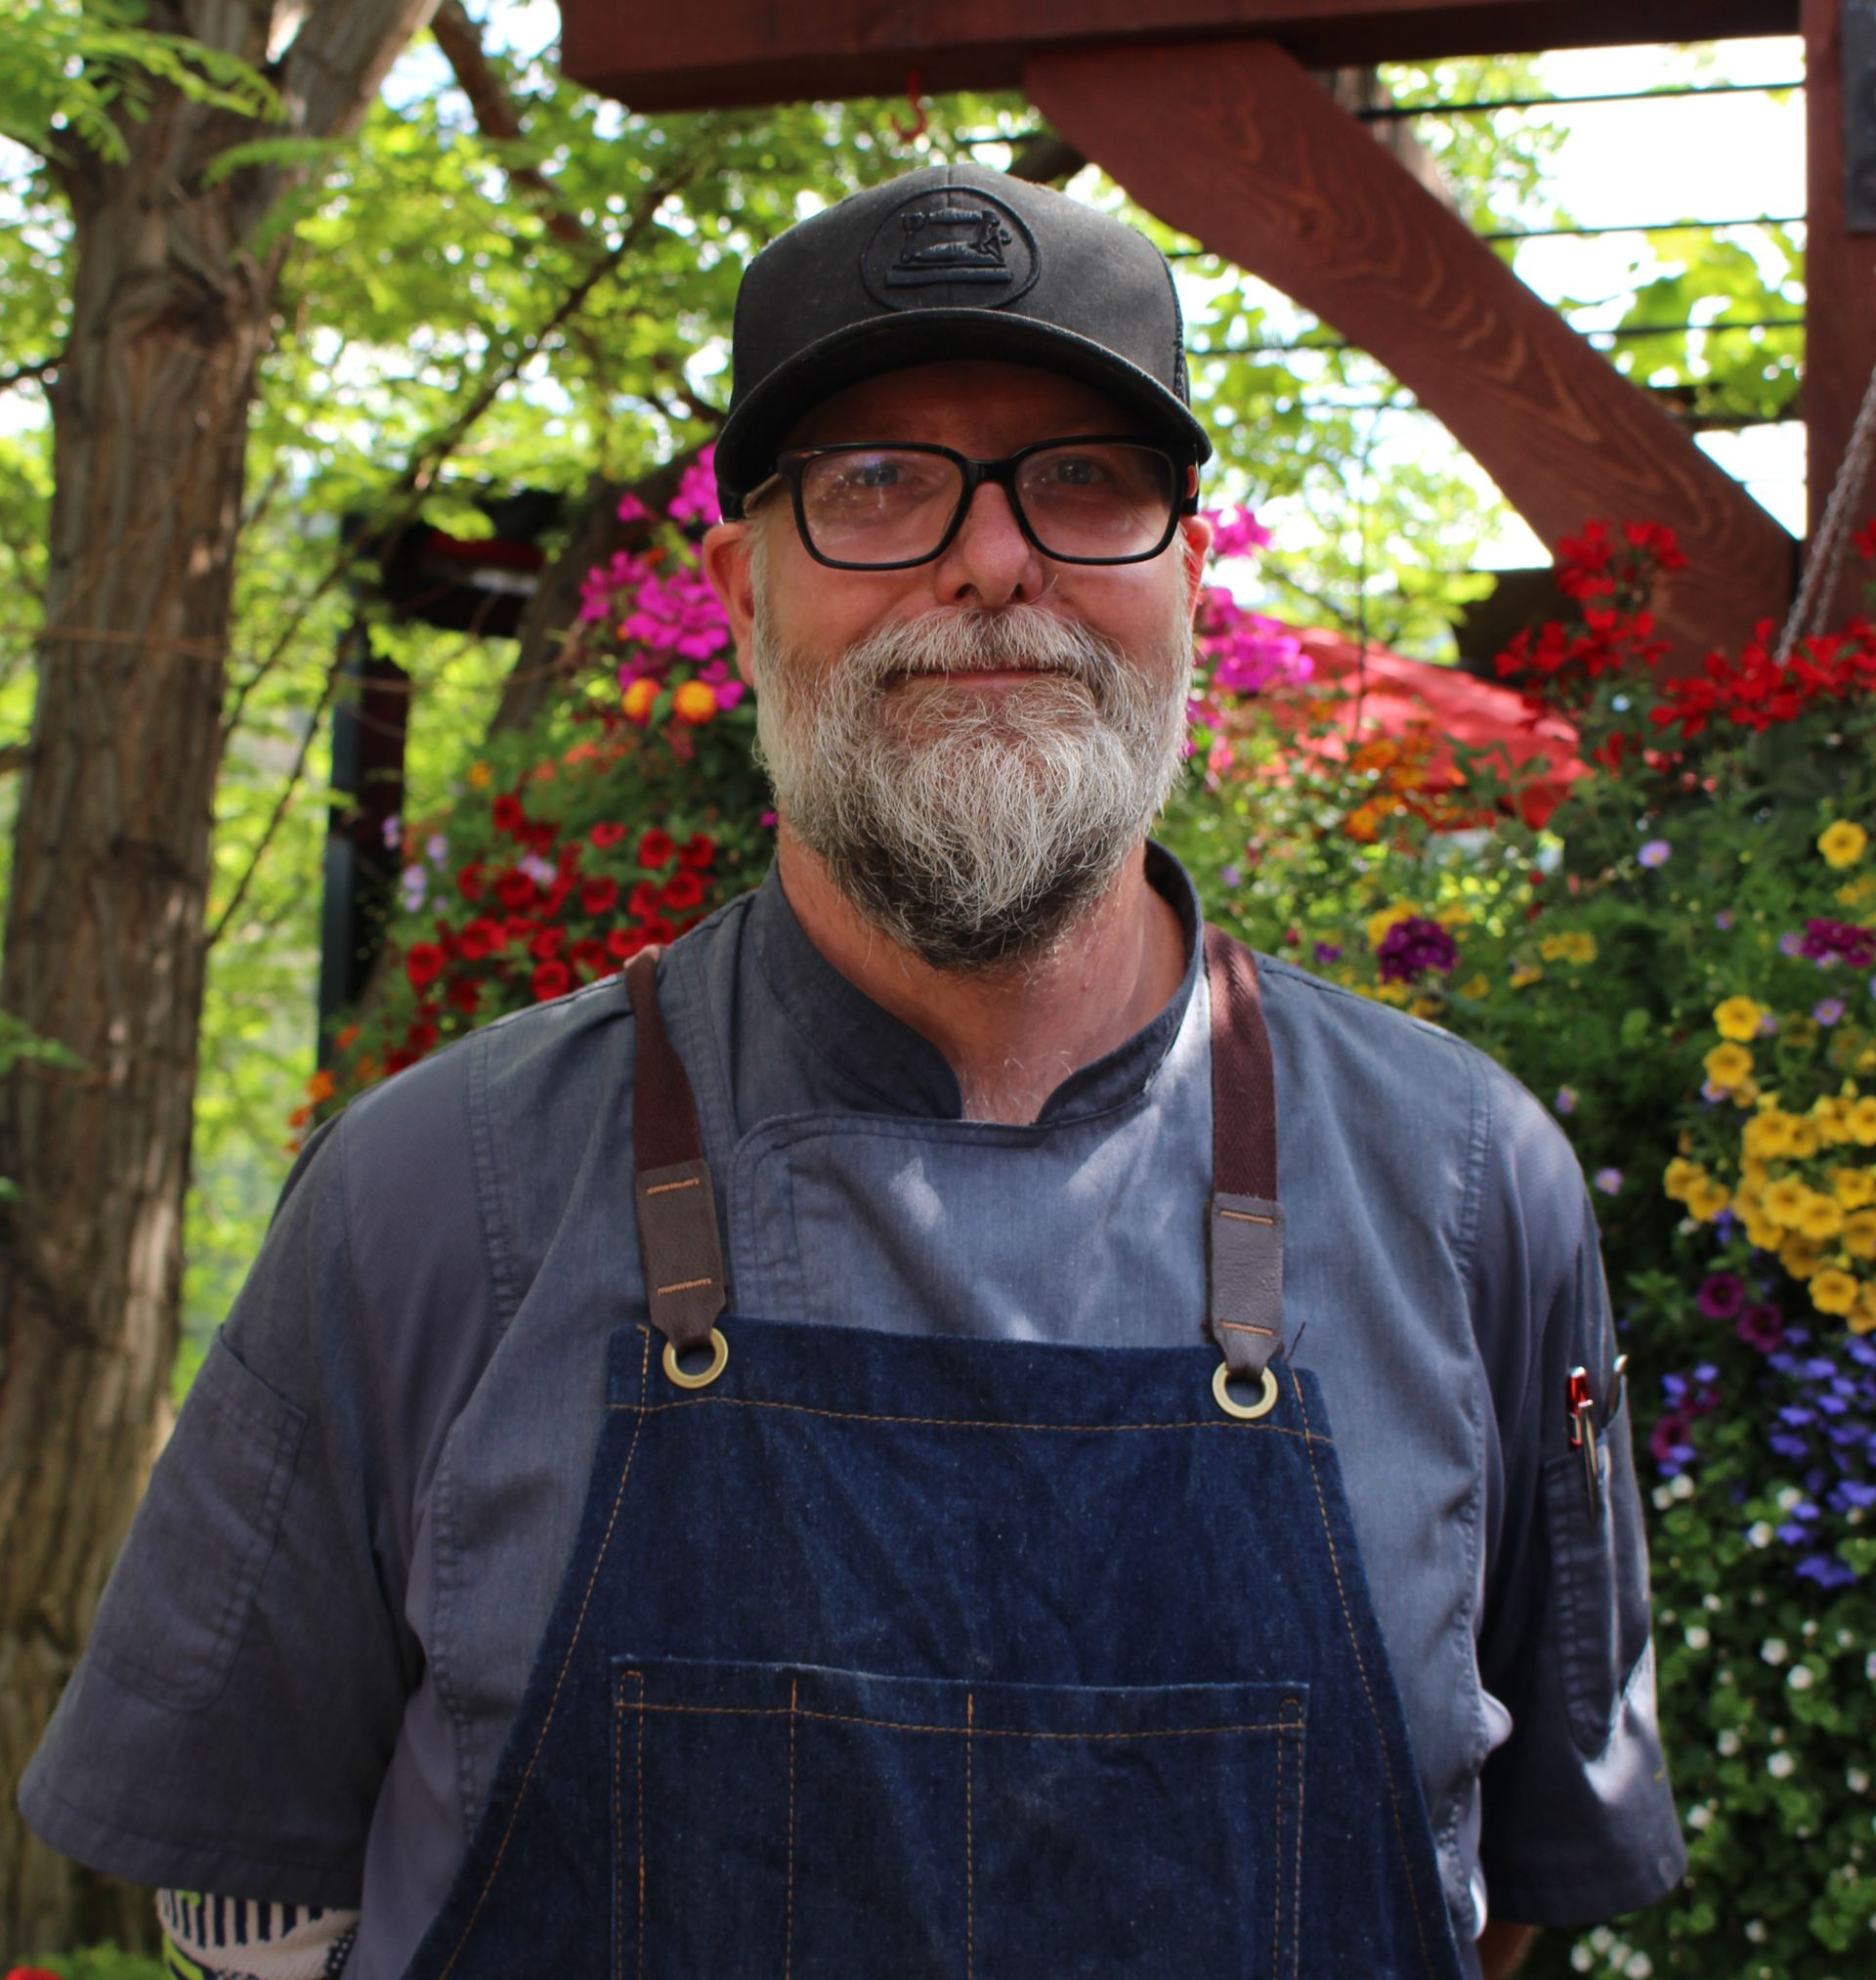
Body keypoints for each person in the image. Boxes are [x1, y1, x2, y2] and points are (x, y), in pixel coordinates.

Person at [20, 163, 1684, 1980]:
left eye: (1084, 479)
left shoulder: (1469, 1192)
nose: (992, 557)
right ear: (741, 586)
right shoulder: (430, 1198)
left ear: (1189, 579)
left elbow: (1496, 1891)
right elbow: (240, 1910)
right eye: (877, 482)